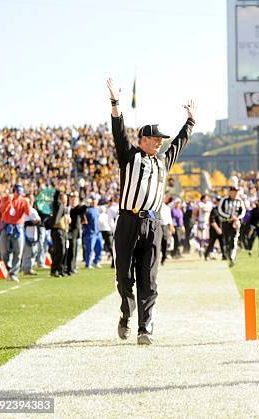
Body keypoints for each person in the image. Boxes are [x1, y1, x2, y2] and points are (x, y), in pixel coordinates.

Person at [107, 77, 196, 345]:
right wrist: (115, 103)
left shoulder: (162, 161)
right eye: (155, 138)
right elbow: (118, 130)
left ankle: (145, 328)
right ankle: (126, 312)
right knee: (124, 276)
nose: (159, 142)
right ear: (143, 139)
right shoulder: (129, 156)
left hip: (153, 223)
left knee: (149, 277)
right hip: (128, 221)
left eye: (160, 139)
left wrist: (190, 121)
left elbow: (179, 142)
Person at [0, 184, 32, 282]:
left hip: (18, 228)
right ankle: (8, 269)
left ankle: (13, 273)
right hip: (6, 227)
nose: (20, 195)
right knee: (4, 252)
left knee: (18, 252)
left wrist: (28, 203)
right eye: (18, 193)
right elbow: (2, 210)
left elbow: (28, 213)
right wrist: (9, 201)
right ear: (14, 192)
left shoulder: (23, 201)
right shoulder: (5, 199)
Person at [218, 186, 246, 267]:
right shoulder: (224, 200)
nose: (235, 193)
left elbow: (243, 211)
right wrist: (229, 216)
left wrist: (237, 218)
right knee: (226, 240)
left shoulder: (239, 201)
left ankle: (232, 257)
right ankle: (227, 254)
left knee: (234, 239)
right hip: (226, 222)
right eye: (234, 191)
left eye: (236, 191)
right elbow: (220, 211)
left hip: (235, 223)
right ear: (230, 192)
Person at [49, 190, 70, 277]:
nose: (64, 200)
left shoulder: (65, 208)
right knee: (59, 251)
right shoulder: (57, 206)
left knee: (64, 251)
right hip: (57, 230)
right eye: (63, 198)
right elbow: (55, 201)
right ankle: (54, 270)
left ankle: (60, 269)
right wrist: (58, 190)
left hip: (64, 231)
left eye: (65, 198)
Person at [67, 193, 87, 275]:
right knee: (71, 251)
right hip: (70, 232)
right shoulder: (70, 209)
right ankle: (69, 268)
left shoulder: (76, 208)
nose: (74, 200)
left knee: (75, 251)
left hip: (77, 233)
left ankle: (73, 267)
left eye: (75, 199)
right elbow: (80, 209)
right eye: (72, 198)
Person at [21, 194, 41, 276]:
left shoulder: (33, 210)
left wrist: (35, 222)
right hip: (26, 234)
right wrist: (33, 222)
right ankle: (26, 268)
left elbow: (39, 221)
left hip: (34, 233)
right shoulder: (24, 211)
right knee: (27, 253)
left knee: (34, 252)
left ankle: (29, 268)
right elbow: (25, 222)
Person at [83, 197, 103, 268]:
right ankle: (88, 264)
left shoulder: (97, 209)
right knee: (89, 249)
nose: (94, 202)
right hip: (90, 232)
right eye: (93, 201)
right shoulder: (87, 210)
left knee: (100, 247)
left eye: (95, 201)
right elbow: (83, 221)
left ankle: (96, 261)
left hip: (98, 232)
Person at [204, 195, 225, 261]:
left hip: (222, 229)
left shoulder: (223, 210)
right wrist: (217, 229)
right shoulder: (214, 210)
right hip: (214, 230)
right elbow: (212, 221)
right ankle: (206, 255)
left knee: (222, 243)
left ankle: (224, 256)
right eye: (218, 201)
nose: (219, 202)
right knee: (211, 243)